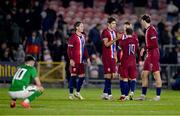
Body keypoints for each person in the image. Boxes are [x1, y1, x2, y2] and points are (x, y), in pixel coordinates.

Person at [137, 14, 162, 101]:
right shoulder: (148, 30)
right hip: (149, 54)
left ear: (144, 21)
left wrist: (144, 48)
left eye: (141, 21)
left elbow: (154, 44)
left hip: (153, 54)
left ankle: (158, 96)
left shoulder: (151, 30)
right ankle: (143, 95)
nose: (141, 22)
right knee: (144, 74)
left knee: (156, 74)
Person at [67, 21, 91, 100]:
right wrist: (71, 59)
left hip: (81, 61)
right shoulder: (73, 37)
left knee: (82, 77)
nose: (82, 27)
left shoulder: (83, 36)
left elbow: (85, 49)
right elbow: (69, 49)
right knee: (73, 76)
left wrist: (87, 58)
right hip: (75, 60)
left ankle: (77, 92)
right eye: (81, 26)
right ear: (77, 28)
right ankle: (70, 94)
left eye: (82, 26)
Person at [118, 27, 141, 101]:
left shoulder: (123, 41)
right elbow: (138, 51)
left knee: (125, 78)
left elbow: (119, 52)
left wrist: (119, 60)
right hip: (133, 61)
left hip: (125, 61)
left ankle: (124, 95)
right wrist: (140, 60)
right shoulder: (135, 41)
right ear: (132, 33)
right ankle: (132, 92)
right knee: (133, 78)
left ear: (126, 33)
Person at [101, 17, 120, 100]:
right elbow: (106, 44)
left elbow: (115, 46)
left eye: (115, 23)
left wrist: (116, 55)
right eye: (113, 23)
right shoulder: (105, 32)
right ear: (108, 24)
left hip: (112, 56)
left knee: (112, 76)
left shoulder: (115, 32)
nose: (114, 25)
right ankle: (109, 95)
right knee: (108, 75)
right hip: (107, 56)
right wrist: (116, 39)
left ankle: (105, 93)